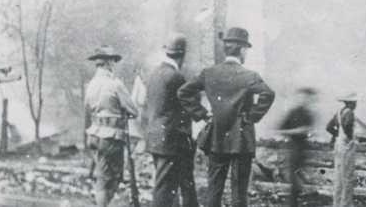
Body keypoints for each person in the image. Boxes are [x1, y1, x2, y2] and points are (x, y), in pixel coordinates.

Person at [178, 27, 276, 207]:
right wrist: (251, 116)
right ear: (242, 50)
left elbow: (183, 92)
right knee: (239, 192)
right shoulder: (249, 76)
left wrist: (202, 114)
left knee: (214, 189)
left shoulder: (209, 73)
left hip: (216, 137)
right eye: (246, 49)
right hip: (241, 139)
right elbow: (268, 94)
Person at [145, 34, 198, 207]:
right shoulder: (176, 77)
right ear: (182, 54)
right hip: (171, 141)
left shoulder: (154, 74)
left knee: (169, 185)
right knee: (165, 189)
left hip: (155, 139)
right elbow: (188, 109)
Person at [84, 44, 140, 207]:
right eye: (113, 61)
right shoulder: (115, 84)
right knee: (109, 178)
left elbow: (87, 111)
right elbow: (134, 111)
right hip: (111, 137)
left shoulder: (91, 86)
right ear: (108, 63)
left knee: (102, 175)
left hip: (94, 135)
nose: (114, 65)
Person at [278, 87, 318, 207]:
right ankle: (292, 203)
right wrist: (297, 131)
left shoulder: (309, 114)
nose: (306, 100)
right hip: (293, 148)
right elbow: (281, 129)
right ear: (300, 98)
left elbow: (309, 130)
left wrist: (307, 132)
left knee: (299, 179)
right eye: (304, 97)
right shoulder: (293, 112)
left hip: (303, 148)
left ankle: (295, 201)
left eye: (309, 98)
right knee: (294, 181)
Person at [326, 93, 359, 207]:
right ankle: (346, 204)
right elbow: (347, 126)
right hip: (347, 146)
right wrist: (349, 137)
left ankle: (337, 203)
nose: (355, 105)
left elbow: (329, 127)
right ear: (350, 103)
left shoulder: (339, 113)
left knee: (339, 177)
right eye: (354, 102)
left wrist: (338, 136)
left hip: (339, 145)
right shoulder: (349, 113)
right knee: (348, 177)